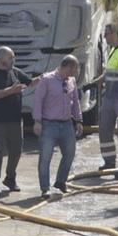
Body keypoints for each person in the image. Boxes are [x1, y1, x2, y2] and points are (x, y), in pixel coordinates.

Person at [30, 55, 82, 198]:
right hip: (49, 124)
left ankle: (60, 181)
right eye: (74, 69)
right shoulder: (47, 80)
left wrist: (78, 120)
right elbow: (38, 101)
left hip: (66, 124)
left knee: (70, 153)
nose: (74, 73)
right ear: (67, 67)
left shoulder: (71, 81)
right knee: (45, 157)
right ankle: (45, 188)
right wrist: (37, 121)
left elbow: (75, 102)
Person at [0, 46, 31, 192]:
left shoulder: (14, 72)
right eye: (11, 57)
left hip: (14, 120)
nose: (13, 60)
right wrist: (10, 91)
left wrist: (48, 77)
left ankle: (10, 179)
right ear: (1, 59)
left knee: (16, 150)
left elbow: (31, 82)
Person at [95, 23, 118, 175]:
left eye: (107, 33)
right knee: (104, 130)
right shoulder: (113, 51)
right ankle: (109, 161)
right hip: (109, 97)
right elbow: (110, 72)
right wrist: (98, 81)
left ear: (116, 34)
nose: (105, 36)